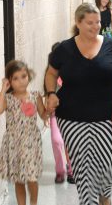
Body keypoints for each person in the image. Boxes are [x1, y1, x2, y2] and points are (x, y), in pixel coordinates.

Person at [44, 3, 112, 205]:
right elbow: (51, 72)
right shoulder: (65, 49)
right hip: (72, 118)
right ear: (78, 23)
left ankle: (104, 198)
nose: (95, 26)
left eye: (98, 22)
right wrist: (50, 93)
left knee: (106, 170)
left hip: (105, 116)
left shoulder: (111, 46)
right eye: (90, 23)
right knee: (83, 169)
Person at [0, 60, 47, 205]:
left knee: (32, 177)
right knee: (18, 179)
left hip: (31, 141)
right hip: (14, 143)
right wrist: (3, 90)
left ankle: (33, 203)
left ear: (28, 76)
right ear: (9, 81)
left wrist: (50, 110)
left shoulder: (35, 96)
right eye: (15, 78)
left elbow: (43, 115)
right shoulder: (8, 99)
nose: (21, 81)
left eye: (23, 76)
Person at [45, 42, 75, 184]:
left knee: (70, 142)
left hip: (72, 113)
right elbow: (48, 95)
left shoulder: (72, 73)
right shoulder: (50, 76)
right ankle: (59, 169)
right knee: (57, 141)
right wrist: (45, 114)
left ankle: (71, 169)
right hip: (56, 114)